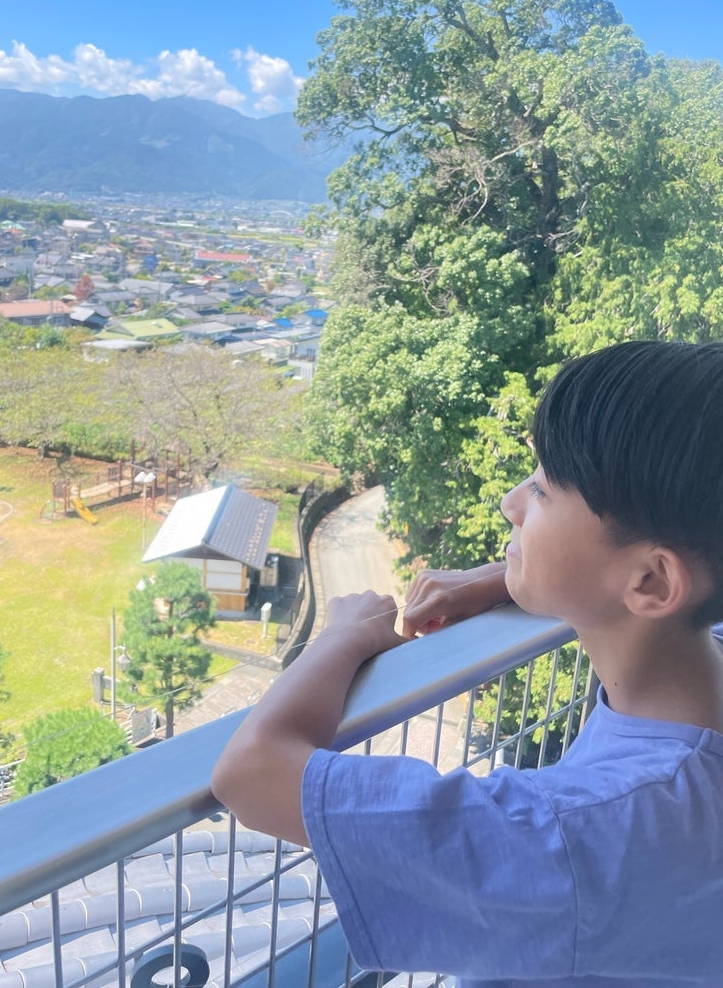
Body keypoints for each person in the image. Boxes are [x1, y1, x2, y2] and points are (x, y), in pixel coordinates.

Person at [212, 341, 723, 987]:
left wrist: (341, 636)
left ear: (651, 581)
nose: (512, 501)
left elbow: (250, 774)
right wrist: (505, 579)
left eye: (543, 489)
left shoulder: (575, 839)